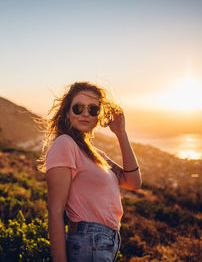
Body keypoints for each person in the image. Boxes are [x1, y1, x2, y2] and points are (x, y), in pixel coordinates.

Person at [41, 82, 142, 262]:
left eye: (93, 109)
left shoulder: (96, 154)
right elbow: (55, 210)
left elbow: (133, 181)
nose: (86, 113)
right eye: (78, 108)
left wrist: (121, 133)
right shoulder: (65, 144)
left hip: (106, 242)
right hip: (89, 241)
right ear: (67, 112)